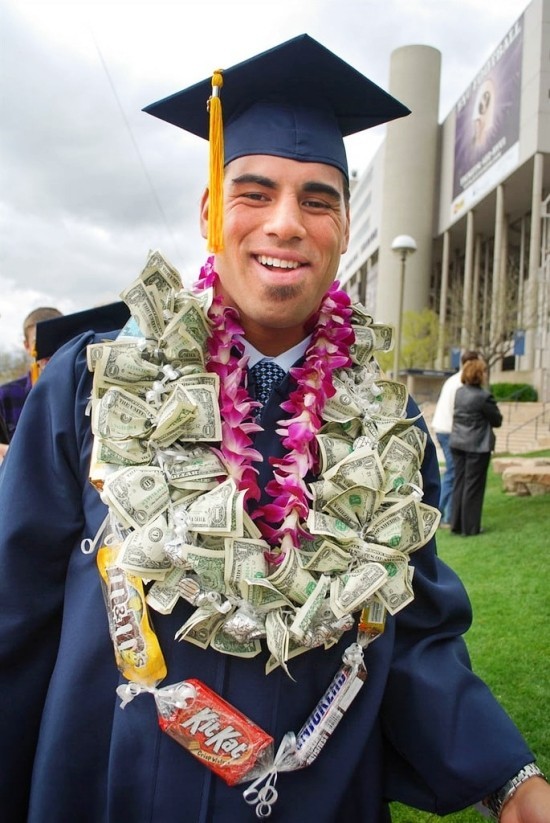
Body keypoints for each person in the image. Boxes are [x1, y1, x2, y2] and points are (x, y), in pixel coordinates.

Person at [0, 35, 548, 823]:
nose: (286, 223)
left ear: (345, 226)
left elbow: (413, 640)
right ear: (209, 213)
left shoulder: (388, 431)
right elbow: (13, 624)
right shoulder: (92, 386)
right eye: (254, 192)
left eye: (318, 200)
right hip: (106, 791)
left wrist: (510, 778)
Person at [450, 358, 503, 537]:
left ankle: (456, 524)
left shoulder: (459, 392)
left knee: (459, 483)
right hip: (477, 446)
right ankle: (471, 528)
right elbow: (497, 420)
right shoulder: (484, 397)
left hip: (458, 443)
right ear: (479, 375)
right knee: (473, 487)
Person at [431, 350, 480, 526]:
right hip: (449, 430)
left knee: (455, 473)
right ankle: (439, 513)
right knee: (453, 473)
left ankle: (448, 514)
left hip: (444, 428)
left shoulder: (453, 380)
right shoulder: (461, 382)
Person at [0, 306, 62, 442]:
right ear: (27, 346)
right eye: (38, 342)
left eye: (54, 340)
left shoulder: (82, 391)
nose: (48, 350)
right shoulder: (5, 396)